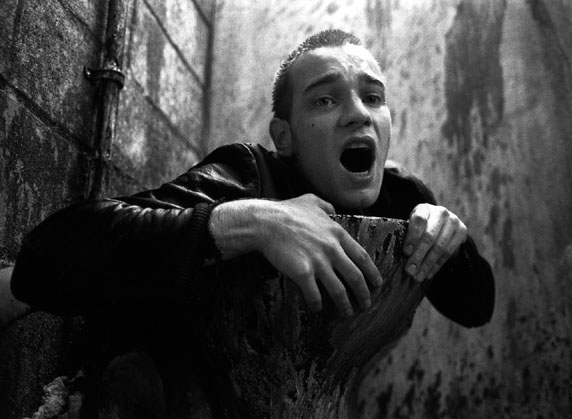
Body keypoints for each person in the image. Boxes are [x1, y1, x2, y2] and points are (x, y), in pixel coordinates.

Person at [9, 29, 493, 416]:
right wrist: (253, 220)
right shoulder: (249, 173)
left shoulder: (402, 197)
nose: (358, 115)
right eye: (325, 100)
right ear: (285, 136)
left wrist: (450, 239)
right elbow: (46, 257)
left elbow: (475, 306)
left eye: (373, 96)